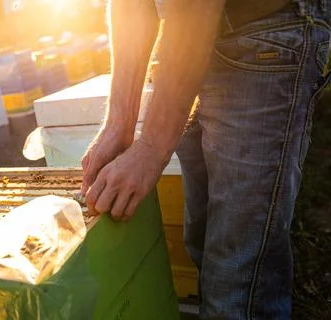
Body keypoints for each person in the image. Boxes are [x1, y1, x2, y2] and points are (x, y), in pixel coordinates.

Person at [80, 0, 331, 318]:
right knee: (203, 235)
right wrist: (118, 124)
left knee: (236, 278)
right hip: (188, 33)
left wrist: (152, 147)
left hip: (265, 27)